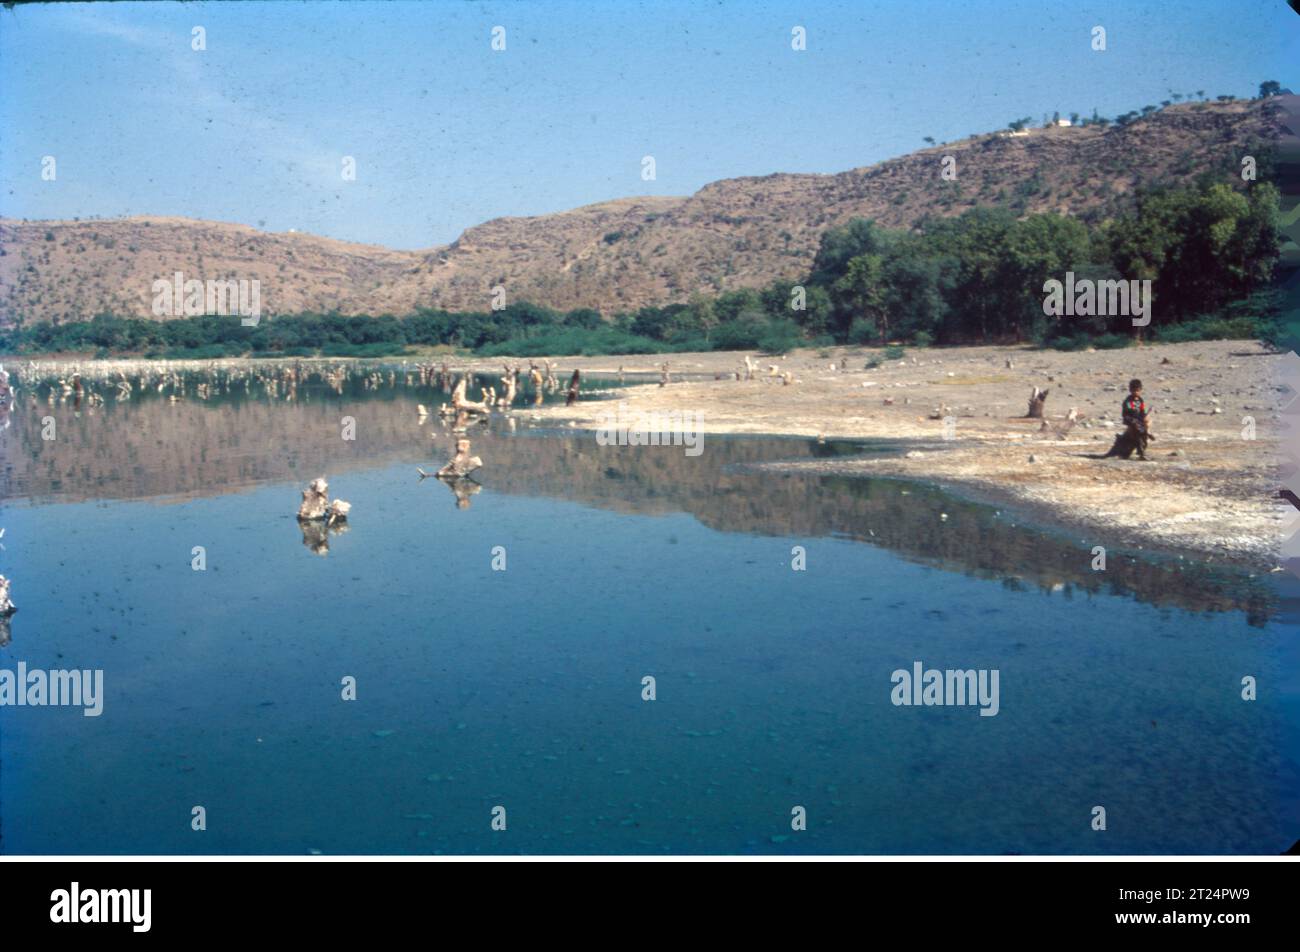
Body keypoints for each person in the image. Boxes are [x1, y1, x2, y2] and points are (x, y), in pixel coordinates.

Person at [1105, 378, 1153, 460]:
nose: (1136, 392)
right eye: (1134, 391)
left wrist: (1144, 416)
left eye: (1138, 390)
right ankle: (1140, 452)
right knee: (1138, 431)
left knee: (1144, 432)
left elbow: (1141, 411)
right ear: (1130, 390)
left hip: (1138, 419)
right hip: (1129, 419)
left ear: (1141, 390)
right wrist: (1138, 419)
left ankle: (1143, 449)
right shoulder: (1128, 401)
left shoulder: (1140, 400)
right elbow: (1131, 412)